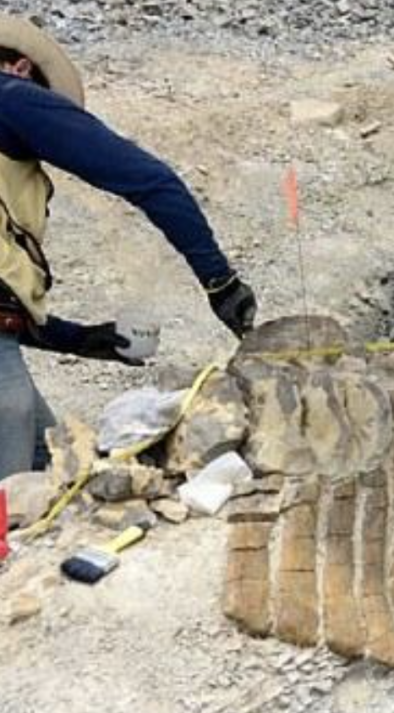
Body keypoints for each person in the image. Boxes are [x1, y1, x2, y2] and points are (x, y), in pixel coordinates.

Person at [0, 16, 256, 480]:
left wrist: (82, 339)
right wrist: (220, 281)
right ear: (20, 67)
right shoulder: (13, 97)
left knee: (49, 469)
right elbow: (150, 180)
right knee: (13, 506)